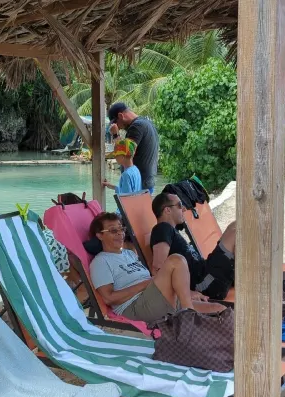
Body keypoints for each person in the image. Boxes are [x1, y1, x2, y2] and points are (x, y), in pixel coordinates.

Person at [89, 212, 226, 325]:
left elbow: (152, 282)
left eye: (121, 229)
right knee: (176, 260)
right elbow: (109, 298)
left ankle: (188, 313)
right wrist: (147, 283)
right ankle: (189, 317)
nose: (120, 233)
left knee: (220, 310)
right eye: (113, 230)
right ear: (99, 235)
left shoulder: (129, 254)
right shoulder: (100, 262)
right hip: (135, 307)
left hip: (156, 298)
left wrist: (186, 292)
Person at [149, 193, 236, 300]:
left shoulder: (170, 231)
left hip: (208, 273)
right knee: (236, 232)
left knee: (234, 226)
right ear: (167, 210)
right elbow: (157, 269)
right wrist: (187, 293)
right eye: (179, 205)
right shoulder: (162, 228)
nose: (184, 209)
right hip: (204, 283)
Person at [107, 102, 159, 193]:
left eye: (116, 123)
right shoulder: (147, 123)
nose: (118, 127)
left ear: (120, 116)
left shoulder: (136, 127)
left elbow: (124, 154)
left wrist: (115, 135)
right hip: (145, 182)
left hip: (138, 186)